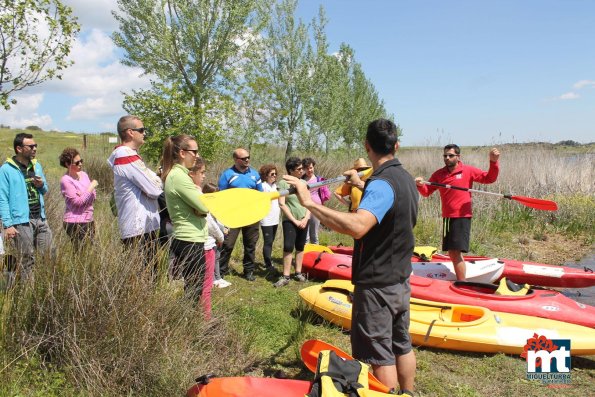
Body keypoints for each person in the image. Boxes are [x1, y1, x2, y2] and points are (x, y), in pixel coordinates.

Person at [284, 119, 418, 395]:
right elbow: (387, 210)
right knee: (401, 344)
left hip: (378, 283)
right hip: (400, 278)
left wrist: (308, 202)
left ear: (367, 146)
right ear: (396, 146)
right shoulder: (405, 178)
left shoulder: (382, 184)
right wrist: (359, 182)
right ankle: (408, 392)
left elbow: (358, 226)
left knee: (379, 353)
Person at [415, 144, 500, 281]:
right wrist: (419, 185)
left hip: (461, 217)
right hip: (447, 218)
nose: (447, 158)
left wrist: (493, 162)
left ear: (458, 157)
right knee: (451, 252)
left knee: (455, 252)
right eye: (445, 156)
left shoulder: (468, 170)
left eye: (450, 155)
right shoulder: (439, 174)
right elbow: (426, 192)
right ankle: (461, 279)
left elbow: (489, 178)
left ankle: (462, 283)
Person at [161, 135, 212, 318]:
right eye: (194, 152)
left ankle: (187, 324)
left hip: (192, 238)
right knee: (193, 289)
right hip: (189, 239)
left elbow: (199, 206)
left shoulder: (181, 175)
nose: (197, 156)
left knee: (194, 287)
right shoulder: (178, 177)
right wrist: (201, 208)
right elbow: (204, 206)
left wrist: (199, 208)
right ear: (182, 153)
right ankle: (185, 326)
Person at [107, 115, 163, 273]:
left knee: (148, 273)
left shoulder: (129, 155)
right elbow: (155, 189)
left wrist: (153, 180)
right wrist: (155, 181)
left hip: (143, 225)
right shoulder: (125, 154)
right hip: (137, 226)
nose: (144, 133)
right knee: (143, 275)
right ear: (130, 132)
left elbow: (151, 184)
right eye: (142, 130)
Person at [0, 133, 54, 280]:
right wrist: (8, 225)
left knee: (49, 256)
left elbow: (45, 189)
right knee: (27, 258)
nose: (34, 148)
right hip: (21, 221)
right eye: (31, 146)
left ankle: (47, 290)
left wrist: (41, 185)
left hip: (41, 218)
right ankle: (28, 294)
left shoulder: (37, 165)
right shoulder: (6, 170)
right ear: (19, 148)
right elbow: (2, 198)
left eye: (35, 145)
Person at [217, 148, 263, 281]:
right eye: (244, 158)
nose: (247, 160)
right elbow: (221, 196)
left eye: (248, 157)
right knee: (228, 244)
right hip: (233, 216)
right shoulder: (227, 174)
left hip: (251, 216)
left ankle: (248, 271)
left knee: (250, 244)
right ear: (236, 160)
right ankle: (221, 271)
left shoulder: (255, 174)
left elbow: (260, 195)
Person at [273, 157, 309, 288]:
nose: (302, 171)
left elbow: (309, 203)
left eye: (302, 168)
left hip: (304, 220)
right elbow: (282, 204)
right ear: (291, 170)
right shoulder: (283, 183)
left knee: (300, 246)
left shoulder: (303, 183)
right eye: (299, 169)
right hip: (290, 221)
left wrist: (305, 219)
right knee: (288, 247)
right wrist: (294, 220)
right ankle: (286, 276)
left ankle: (298, 273)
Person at [59, 147, 98, 251]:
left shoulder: (84, 175)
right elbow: (78, 202)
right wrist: (90, 188)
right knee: (81, 253)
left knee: (92, 251)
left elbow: (94, 196)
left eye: (81, 161)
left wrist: (84, 194)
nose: (80, 164)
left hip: (88, 218)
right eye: (77, 163)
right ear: (67, 164)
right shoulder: (66, 180)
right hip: (75, 222)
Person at [202, 183, 231, 288]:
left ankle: (218, 278)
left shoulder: (216, 206)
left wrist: (225, 227)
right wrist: (221, 232)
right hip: (212, 237)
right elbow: (211, 223)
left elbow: (220, 219)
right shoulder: (205, 207)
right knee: (212, 258)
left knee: (217, 257)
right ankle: (214, 279)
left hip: (219, 235)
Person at [301, 157, 331, 244]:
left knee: (314, 234)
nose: (309, 170)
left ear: (313, 167)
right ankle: (305, 255)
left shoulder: (319, 180)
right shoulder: (301, 180)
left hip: (316, 208)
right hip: (304, 208)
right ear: (303, 169)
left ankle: (315, 255)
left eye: (311, 167)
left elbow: (327, 195)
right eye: (307, 168)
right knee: (305, 234)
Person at [259, 164, 280, 273]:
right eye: (272, 174)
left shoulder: (275, 186)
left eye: (276, 174)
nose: (274, 176)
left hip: (275, 218)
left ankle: (269, 260)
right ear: (266, 175)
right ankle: (268, 264)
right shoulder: (263, 186)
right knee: (267, 241)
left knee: (271, 241)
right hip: (266, 218)